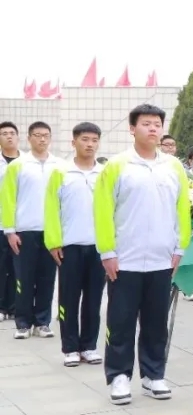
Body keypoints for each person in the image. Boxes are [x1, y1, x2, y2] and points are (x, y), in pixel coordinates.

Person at [94, 105, 192, 404]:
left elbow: (182, 209)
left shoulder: (173, 166)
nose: (153, 128)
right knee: (121, 319)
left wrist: (180, 247)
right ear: (132, 128)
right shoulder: (117, 165)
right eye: (146, 123)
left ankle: (153, 374)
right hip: (126, 258)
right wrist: (107, 251)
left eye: (157, 124)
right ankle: (119, 376)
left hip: (162, 258)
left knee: (155, 320)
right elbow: (102, 211)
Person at [44, 122, 106, 367]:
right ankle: (70, 347)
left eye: (94, 140)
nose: (89, 144)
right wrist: (53, 242)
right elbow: (51, 210)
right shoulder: (61, 172)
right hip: (69, 245)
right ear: (74, 142)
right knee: (68, 298)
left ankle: (89, 346)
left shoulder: (105, 174)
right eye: (84, 139)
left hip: (99, 247)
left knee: (94, 299)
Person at [1, 121, 61, 338]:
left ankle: (42, 322)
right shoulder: (18, 165)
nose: (42, 139)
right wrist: (10, 230)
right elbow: (8, 200)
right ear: (29, 138)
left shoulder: (59, 165)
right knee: (24, 279)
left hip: (51, 232)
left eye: (46, 135)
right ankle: (23, 323)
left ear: (50, 138)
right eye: (37, 135)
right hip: (24, 230)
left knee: (47, 278)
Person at [0, 122, 20, 319]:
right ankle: (1, 307)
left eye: (12, 133)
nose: (8, 136)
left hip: (20, 223)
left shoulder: (26, 162)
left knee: (17, 268)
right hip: (0, 222)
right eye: (4, 133)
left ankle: (14, 306)